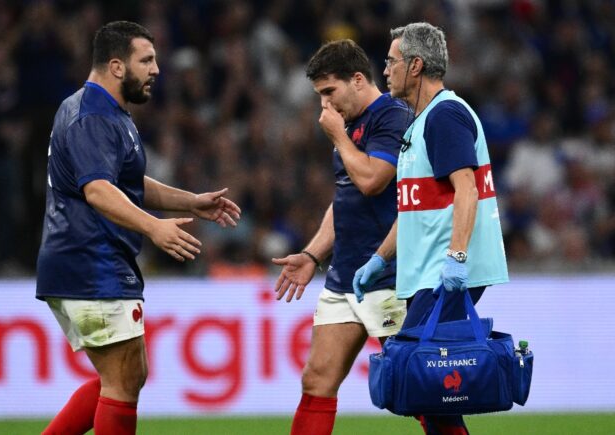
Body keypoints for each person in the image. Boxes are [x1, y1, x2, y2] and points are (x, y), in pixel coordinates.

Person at [35, 21, 241, 435]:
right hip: (91, 263)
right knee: (123, 382)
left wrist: (191, 202)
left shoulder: (104, 112)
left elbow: (125, 182)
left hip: (86, 262)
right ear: (116, 66)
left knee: (126, 376)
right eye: (146, 60)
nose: (156, 69)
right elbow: (97, 190)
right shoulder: (93, 116)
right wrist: (154, 228)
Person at [353, 22, 509, 435]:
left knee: (423, 383)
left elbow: (467, 190)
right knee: (431, 389)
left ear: (416, 66)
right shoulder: (424, 122)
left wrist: (457, 259)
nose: (384, 70)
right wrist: (377, 259)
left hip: (446, 274)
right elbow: (414, 210)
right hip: (426, 272)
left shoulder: (445, 116)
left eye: (391, 61)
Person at [271, 39, 412, 435]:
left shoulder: (393, 116)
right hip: (344, 275)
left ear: (357, 79)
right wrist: (313, 255)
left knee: (418, 386)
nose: (325, 107)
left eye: (329, 93)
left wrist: (338, 137)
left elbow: (371, 181)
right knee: (316, 380)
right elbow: (345, 200)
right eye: (319, 96)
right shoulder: (351, 127)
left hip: (387, 274)